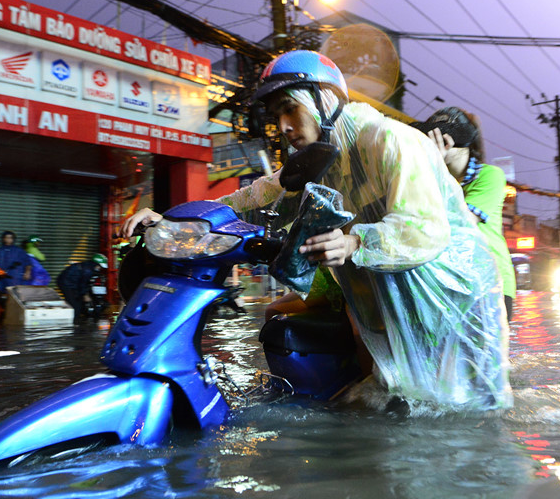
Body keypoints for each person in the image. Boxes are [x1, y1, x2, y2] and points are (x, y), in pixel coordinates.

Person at [121, 50, 510, 411]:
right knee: (393, 409)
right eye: (277, 117)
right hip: (390, 307)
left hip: (451, 301)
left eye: (291, 109)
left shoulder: (392, 140)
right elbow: (255, 197)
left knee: (466, 411)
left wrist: (357, 241)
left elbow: (425, 229)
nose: (285, 127)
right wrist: (175, 220)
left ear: (325, 98)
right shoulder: (318, 160)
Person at [411, 107, 517, 319]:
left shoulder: (490, 176)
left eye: (435, 138)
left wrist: (435, 168)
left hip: (491, 283)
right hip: (450, 281)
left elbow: (459, 222)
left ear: (450, 143)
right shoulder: (430, 178)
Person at [57, 254, 107, 318]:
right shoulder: (88, 270)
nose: (100, 268)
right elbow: (83, 283)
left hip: (70, 283)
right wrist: (85, 295)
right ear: (96, 264)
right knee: (75, 305)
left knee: (78, 302)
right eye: (100, 266)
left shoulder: (88, 266)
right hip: (66, 285)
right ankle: (74, 321)